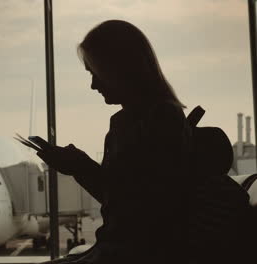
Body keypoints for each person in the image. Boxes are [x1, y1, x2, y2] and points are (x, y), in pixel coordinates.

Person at [37, 19, 252, 264]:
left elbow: (140, 211)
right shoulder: (148, 120)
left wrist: (81, 167)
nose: (93, 85)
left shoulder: (155, 123)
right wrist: (79, 167)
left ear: (118, 69)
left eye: (95, 73)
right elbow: (127, 201)